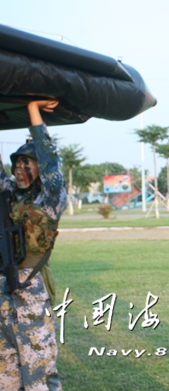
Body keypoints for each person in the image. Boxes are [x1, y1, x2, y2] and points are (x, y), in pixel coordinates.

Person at [0, 99, 66, 391]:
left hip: (31, 291)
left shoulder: (50, 199)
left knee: (38, 374)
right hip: (4, 291)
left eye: (26, 163)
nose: (19, 169)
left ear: (40, 168)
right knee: (6, 375)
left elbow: (49, 157)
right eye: (16, 164)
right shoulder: (10, 196)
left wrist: (32, 109)